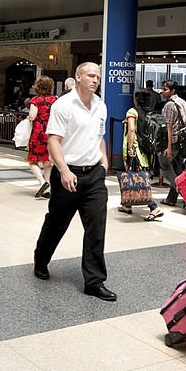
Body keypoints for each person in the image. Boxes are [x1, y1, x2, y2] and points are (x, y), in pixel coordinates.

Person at [33, 62, 116, 301]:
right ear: (78, 77)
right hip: (68, 174)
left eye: (97, 77)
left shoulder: (100, 105)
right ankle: (41, 259)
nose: (95, 80)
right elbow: (54, 141)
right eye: (90, 76)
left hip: (94, 176)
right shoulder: (63, 105)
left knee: (96, 228)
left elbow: (99, 137)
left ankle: (94, 281)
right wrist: (64, 170)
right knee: (57, 223)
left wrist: (104, 161)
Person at [116, 90, 164, 221]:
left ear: (135, 99)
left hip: (136, 149)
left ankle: (154, 207)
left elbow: (132, 130)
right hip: (146, 150)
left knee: (138, 178)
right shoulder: (149, 112)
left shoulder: (132, 112)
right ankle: (127, 205)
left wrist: (131, 147)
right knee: (134, 175)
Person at [156, 79, 186, 208]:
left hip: (172, 141)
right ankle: (171, 199)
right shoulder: (182, 102)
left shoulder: (169, 105)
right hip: (181, 140)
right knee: (177, 169)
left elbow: (167, 127)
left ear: (172, 91)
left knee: (165, 166)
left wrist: (167, 146)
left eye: (165, 89)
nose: (162, 92)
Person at [27, 76, 58, 199]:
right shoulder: (55, 99)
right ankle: (48, 188)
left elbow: (32, 116)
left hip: (38, 132)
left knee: (33, 160)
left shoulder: (35, 100)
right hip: (51, 132)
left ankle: (42, 182)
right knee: (47, 161)